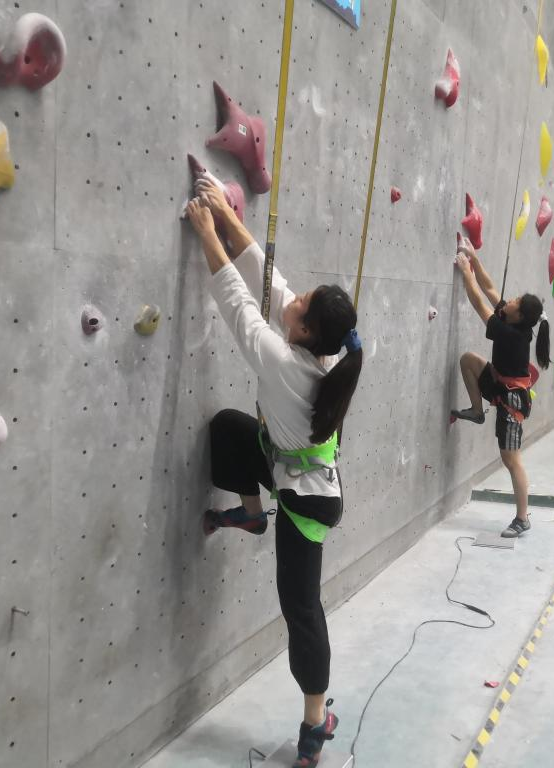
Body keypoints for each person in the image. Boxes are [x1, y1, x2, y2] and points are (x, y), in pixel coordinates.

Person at [185, 179, 362, 768]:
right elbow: (267, 277)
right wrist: (225, 212)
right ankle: (252, 515)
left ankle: (315, 723)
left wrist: (206, 231)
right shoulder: (318, 347)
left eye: (300, 305)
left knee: (301, 610)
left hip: (307, 504)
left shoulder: (284, 362)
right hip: (289, 465)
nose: (292, 298)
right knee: (230, 429)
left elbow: (238, 299)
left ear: (304, 330)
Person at [450, 234, 550, 538]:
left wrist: (465, 271)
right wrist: (473, 256)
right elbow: (491, 288)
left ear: (519, 316)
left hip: (511, 401)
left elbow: (479, 302)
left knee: (511, 459)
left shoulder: (511, 333)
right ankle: (477, 410)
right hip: (500, 384)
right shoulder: (515, 320)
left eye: (516, 302)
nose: (511, 301)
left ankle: (522, 518)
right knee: (469, 360)